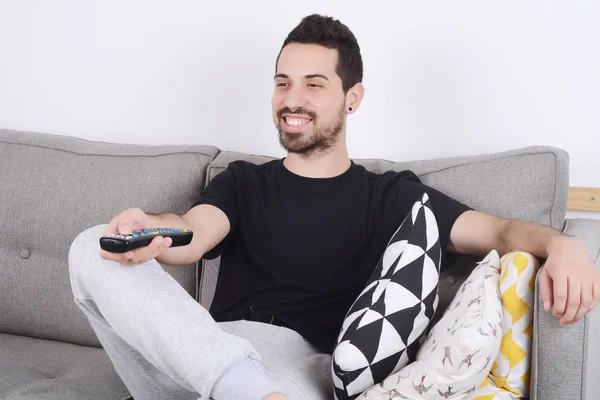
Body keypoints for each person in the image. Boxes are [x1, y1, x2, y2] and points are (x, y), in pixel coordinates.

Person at [69, 14, 599, 400]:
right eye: (282, 83)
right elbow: (189, 232)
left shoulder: (395, 197)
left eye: (313, 85)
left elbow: (503, 233)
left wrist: (563, 243)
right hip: (196, 355)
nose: (291, 99)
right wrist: (149, 228)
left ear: (353, 97)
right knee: (89, 247)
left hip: (296, 368)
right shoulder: (244, 182)